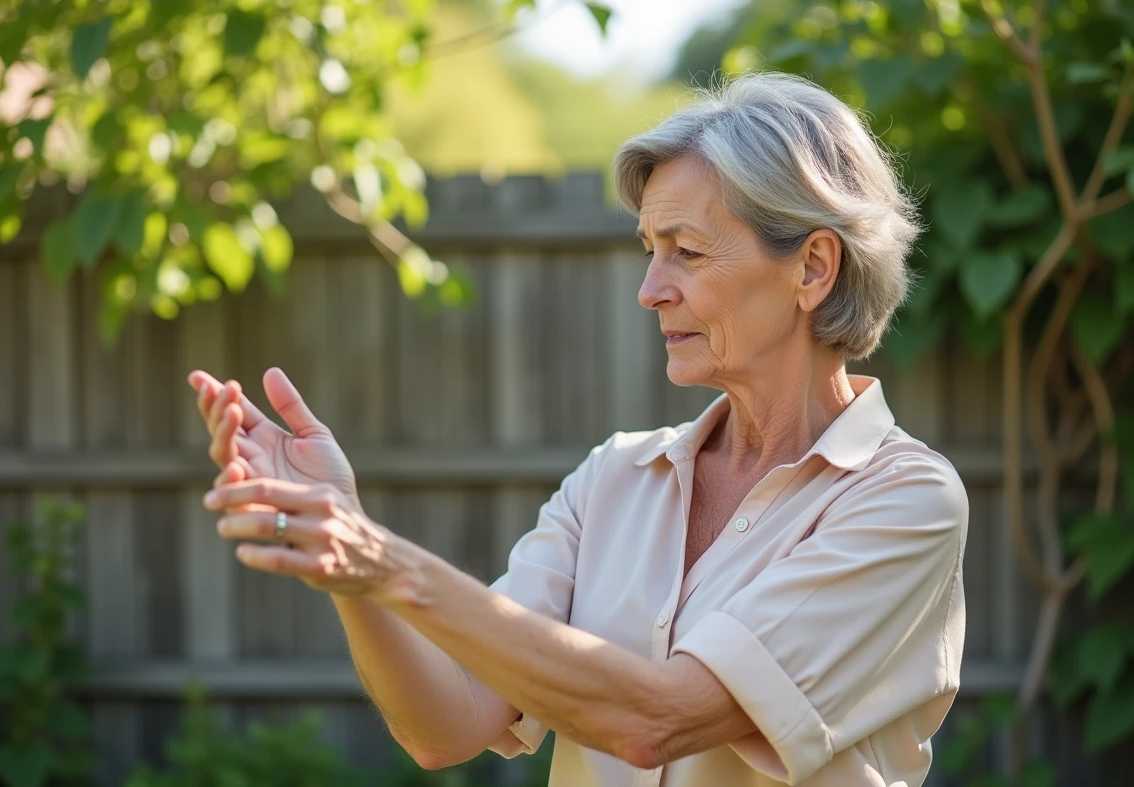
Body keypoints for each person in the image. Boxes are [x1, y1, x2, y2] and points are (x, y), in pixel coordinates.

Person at [188, 72, 968, 786]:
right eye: (651, 251)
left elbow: (659, 719)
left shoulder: (906, 502)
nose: (650, 289)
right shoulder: (613, 480)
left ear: (813, 267)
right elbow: (445, 727)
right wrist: (348, 555)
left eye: (688, 253)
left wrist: (383, 559)